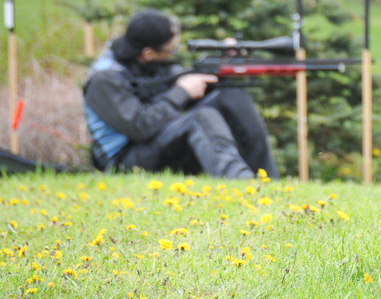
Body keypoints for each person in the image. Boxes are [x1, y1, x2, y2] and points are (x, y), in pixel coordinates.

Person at [83, 9, 279, 179]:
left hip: (152, 146)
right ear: (148, 54)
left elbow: (169, 83)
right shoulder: (105, 79)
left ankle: (268, 181)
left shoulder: (141, 61)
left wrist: (221, 63)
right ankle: (242, 184)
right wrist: (181, 92)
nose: (174, 53)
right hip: (123, 163)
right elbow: (139, 127)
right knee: (200, 119)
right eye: (172, 49)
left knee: (230, 96)